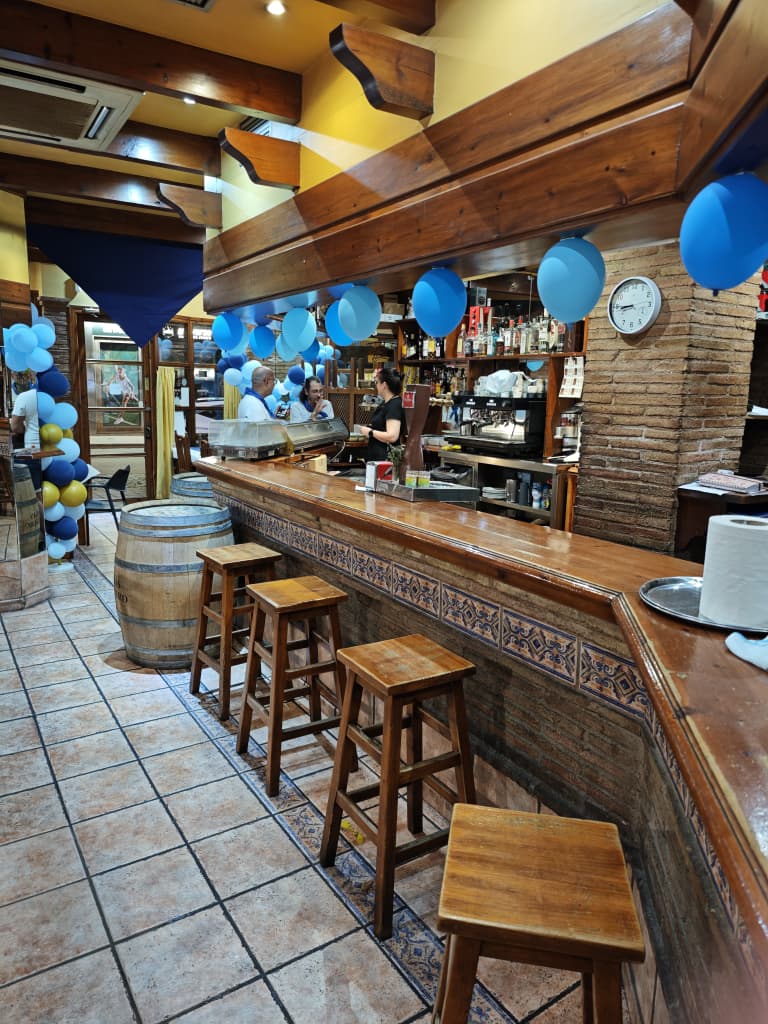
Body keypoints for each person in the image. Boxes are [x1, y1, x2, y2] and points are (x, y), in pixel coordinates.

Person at [359, 367, 406, 461]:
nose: (376, 385)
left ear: (384, 385)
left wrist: (370, 432)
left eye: (377, 382)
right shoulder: (386, 403)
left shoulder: (394, 405)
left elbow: (392, 436)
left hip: (386, 459)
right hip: (377, 456)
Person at [10, 371, 42, 490]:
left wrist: (24, 428)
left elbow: (15, 427)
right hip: (54, 446)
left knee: (32, 489)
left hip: (33, 448)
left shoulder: (25, 396)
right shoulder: (51, 394)